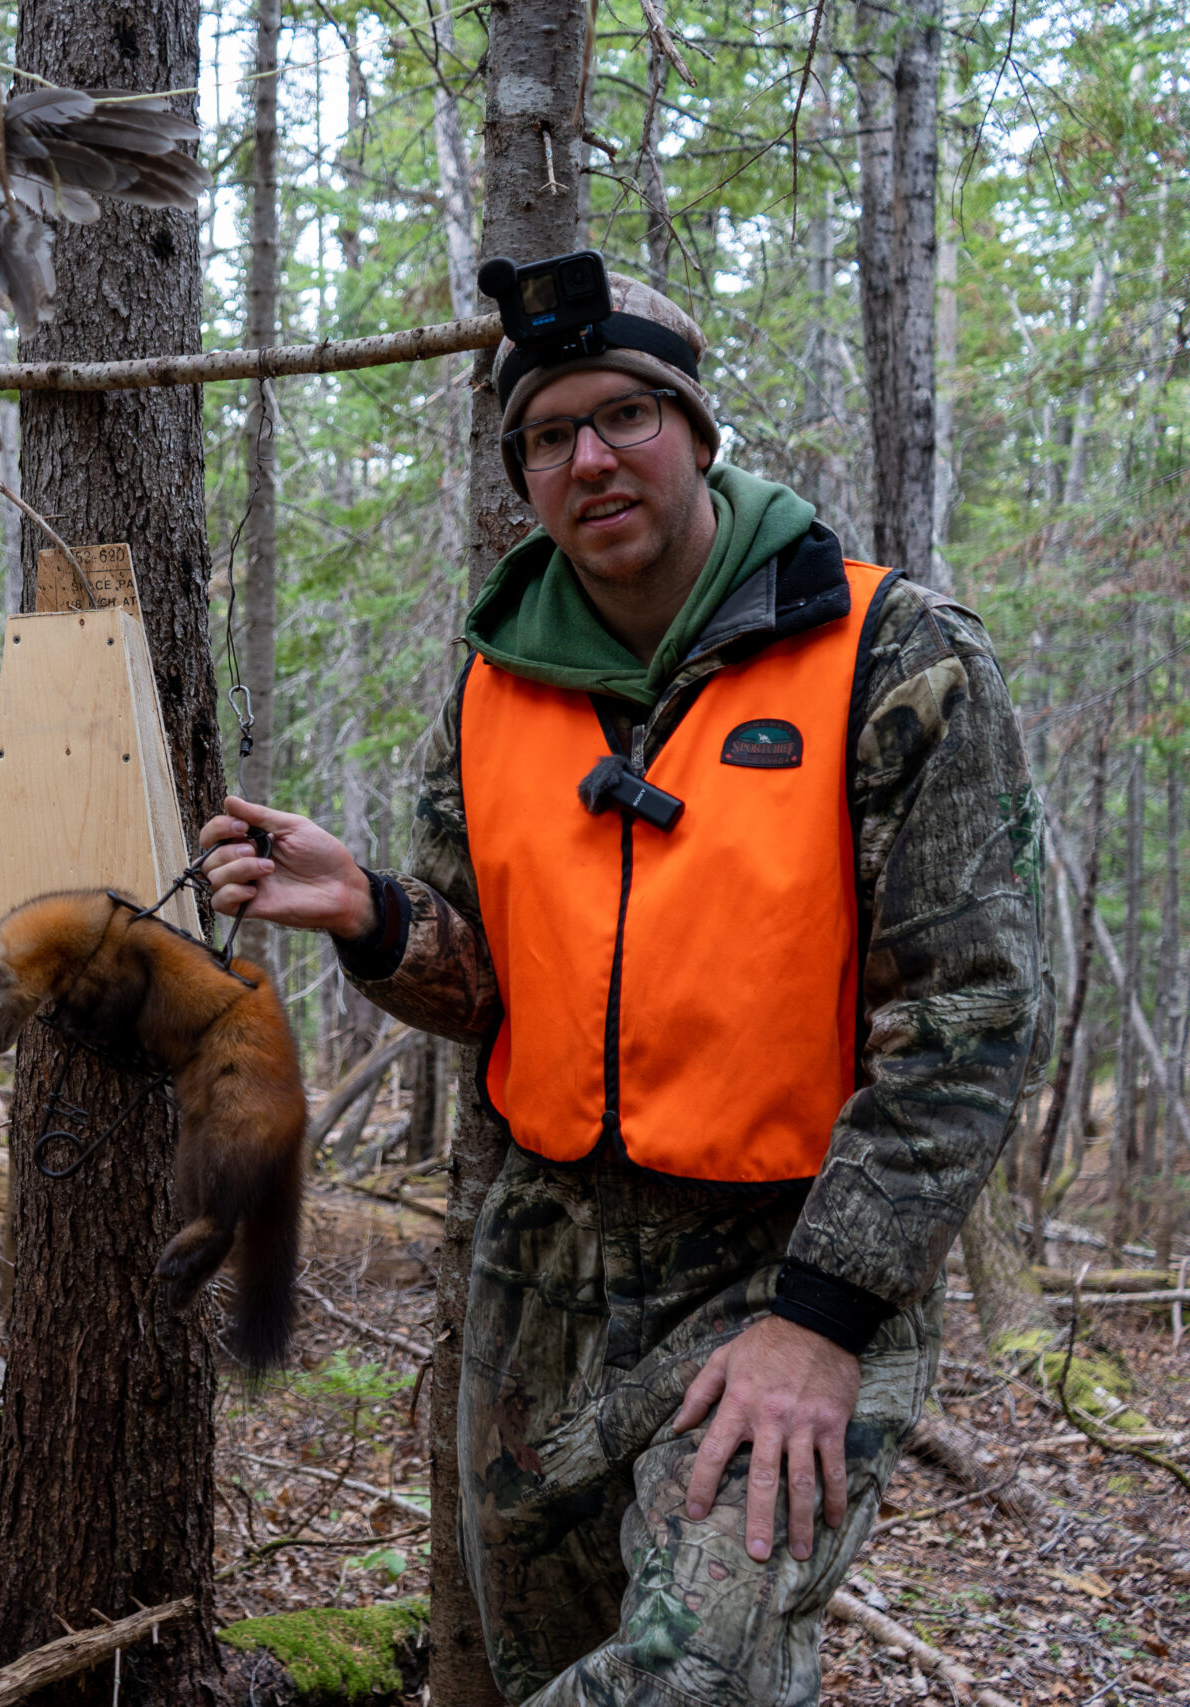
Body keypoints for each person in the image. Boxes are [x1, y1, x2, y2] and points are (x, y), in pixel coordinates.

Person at [199, 268, 1048, 1707]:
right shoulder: (494, 685)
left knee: (683, 1679)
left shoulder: (890, 655)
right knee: (544, 1658)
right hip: (544, 1274)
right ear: (523, 472)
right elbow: (497, 983)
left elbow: (967, 1024)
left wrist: (821, 1321)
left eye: (628, 415)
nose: (589, 458)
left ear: (698, 431)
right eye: (548, 436)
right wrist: (376, 915)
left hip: (778, 1263)